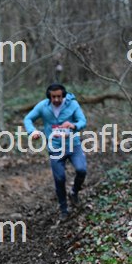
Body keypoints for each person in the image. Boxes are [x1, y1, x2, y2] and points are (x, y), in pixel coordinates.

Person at [23, 83, 87, 220]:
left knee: (81, 170)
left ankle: (74, 192)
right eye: (53, 97)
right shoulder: (43, 106)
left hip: (73, 145)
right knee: (59, 178)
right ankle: (63, 209)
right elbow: (28, 119)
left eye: (59, 96)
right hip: (55, 147)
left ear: (63, 95)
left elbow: (83, 121)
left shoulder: (73, 105)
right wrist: (32, 131)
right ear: (49, 96)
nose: (56, 99)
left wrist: (73, 125)